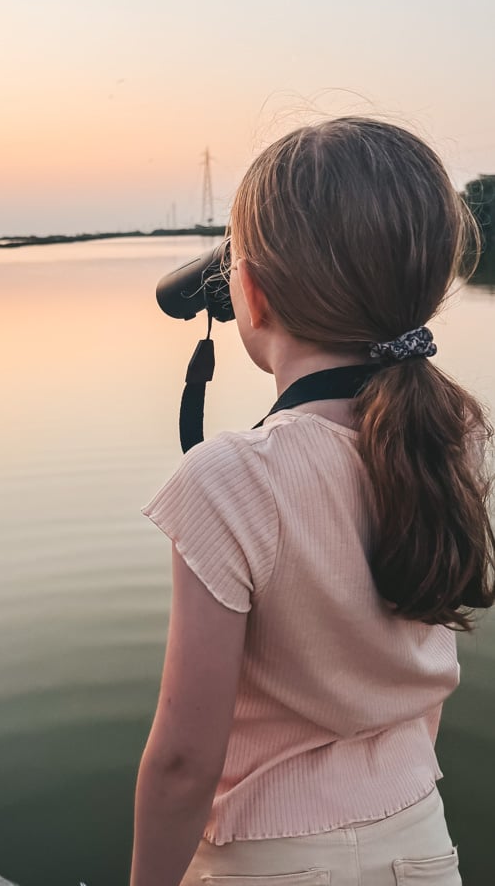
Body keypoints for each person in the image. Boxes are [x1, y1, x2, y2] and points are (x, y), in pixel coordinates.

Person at [132, 117, 495, 886]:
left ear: (251, 296)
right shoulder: (456, 438)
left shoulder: (230, 477)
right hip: (422, 846)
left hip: (263, 862)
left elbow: (182, 760)